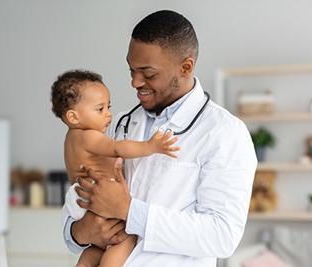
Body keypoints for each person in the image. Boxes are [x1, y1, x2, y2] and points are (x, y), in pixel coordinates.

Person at [62, 10, 257, 267]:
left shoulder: (225, 133)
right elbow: (77, 214)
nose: (135, 82)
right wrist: (80, 231)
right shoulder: (117, 124)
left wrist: (130, 211)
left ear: (185, 67)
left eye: (148, 73)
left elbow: (222, 235)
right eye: (131, 70)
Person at [50, 69, 180, 267]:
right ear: (74, 117)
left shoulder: (71, 139)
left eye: (108, 107)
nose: (108, 114)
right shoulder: (88, 136)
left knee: (95, 248)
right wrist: (150, 147)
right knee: (124, 238)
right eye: (100, 109)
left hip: (81, 198)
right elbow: (116, 147)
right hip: (97, 195)